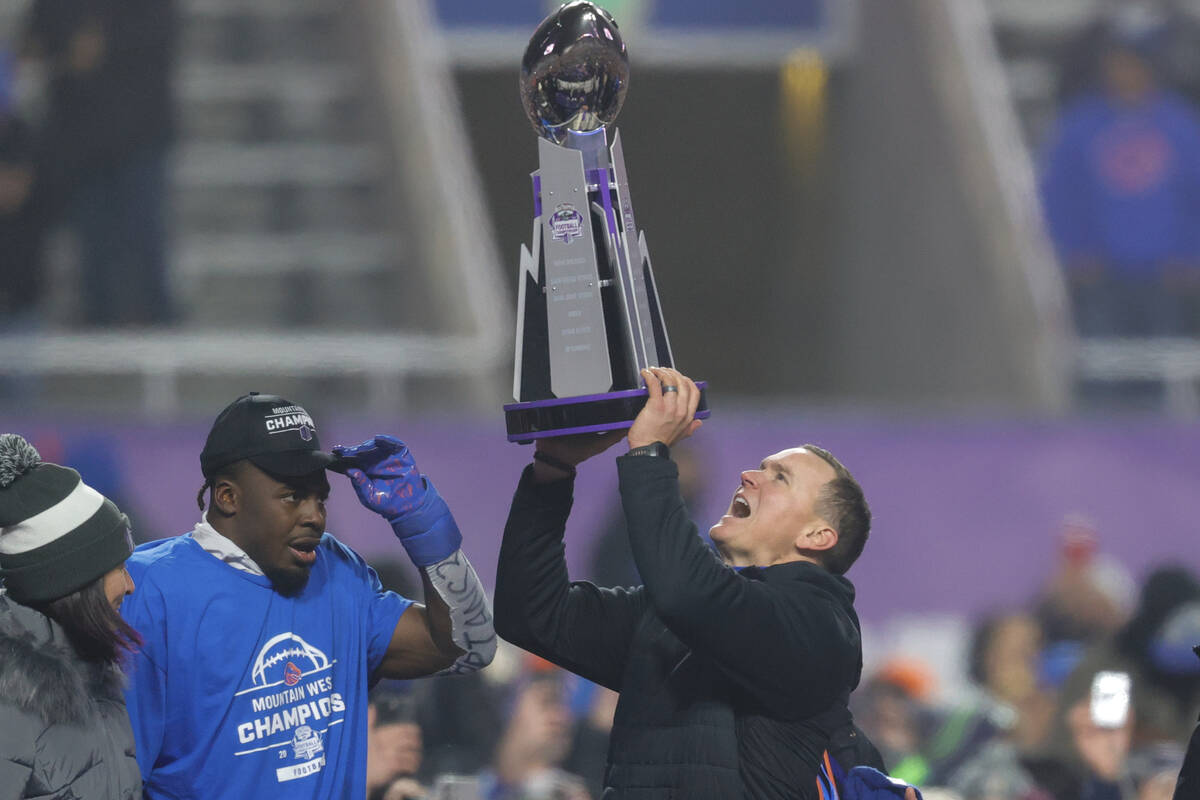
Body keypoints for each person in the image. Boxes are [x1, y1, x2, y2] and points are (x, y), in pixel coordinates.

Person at [495, 366, 890, 799]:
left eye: (779, 477)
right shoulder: (670, 616)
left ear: (817, 536)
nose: (748, 475)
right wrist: (553, 469)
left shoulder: (820, 627)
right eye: (760, 467)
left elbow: (691, 594)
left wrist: (649, 454)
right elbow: (530, 613)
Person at [120, 393, 496, 797]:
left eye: (320, 498)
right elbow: (114, 777)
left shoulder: (335, 571)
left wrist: (424, 524)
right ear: (228, 496)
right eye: (292, 496)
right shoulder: (148, 591)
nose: (314, 515)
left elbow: (469, 646)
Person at [0, 433, 141, 797]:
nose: (130, 585)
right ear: (73, 579)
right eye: (118, 568)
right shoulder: (10, 704)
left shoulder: (94, 672)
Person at [20, 0, 177, 326]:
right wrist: (66, 48)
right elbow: (33, 43)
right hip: (81, 144)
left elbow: (161, 33)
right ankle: (100, 324)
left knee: (144, 237)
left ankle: (158, 322)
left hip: (139, 137)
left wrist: (104, 45)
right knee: (93, 244)